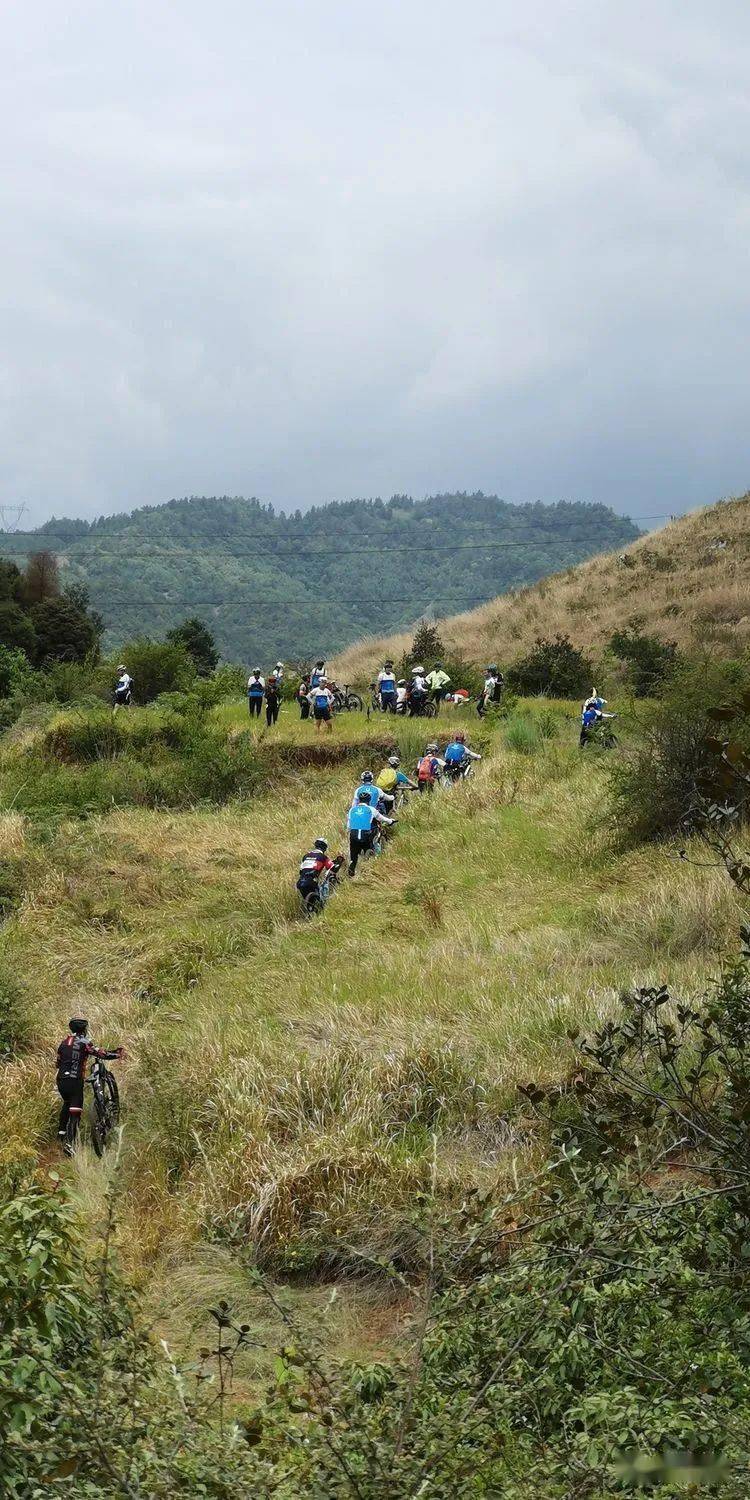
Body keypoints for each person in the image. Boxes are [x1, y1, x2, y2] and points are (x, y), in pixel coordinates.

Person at [56, 1018, 124, 1155]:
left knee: (67, 1103)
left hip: (61, 1080)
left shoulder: (63, 1043)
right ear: (84, 1030)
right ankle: (69, 1144)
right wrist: (117, 1054)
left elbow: (58, 1063)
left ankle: (61, 1134)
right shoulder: (84, 1042)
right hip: (75, 1080)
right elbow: (101, 1054)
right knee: (75, 1112)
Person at [347, 790, 395, 876]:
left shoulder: (352, 810)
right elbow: (382, 818)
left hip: (353, 834)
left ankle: (351, 870)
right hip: (366, 835)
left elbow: (348, 826)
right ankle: (372, 859)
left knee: (353, 856)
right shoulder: (371, 809)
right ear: (369, 801)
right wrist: (390, 821)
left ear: (359, 800)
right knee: (371, 844)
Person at [296, 838, 342, 904]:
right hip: (312, 882)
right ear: (325, 848)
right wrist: (339, 863)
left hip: (300, 883)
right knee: (321, 901)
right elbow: (332, 868)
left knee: (310, 903)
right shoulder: (323, 857)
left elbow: (300, 871)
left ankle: (310, 911)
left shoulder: (305, 856)